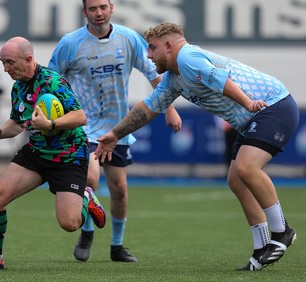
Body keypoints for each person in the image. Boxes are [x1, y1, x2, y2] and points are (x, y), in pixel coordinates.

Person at [94, 22, 298, 271]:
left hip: (273, 106)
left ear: (168, 46)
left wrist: (248, 102)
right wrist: (115, 134)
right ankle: (262, 247)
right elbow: (146, 109)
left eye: (152, 48)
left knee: (246, 168)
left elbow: (222, 82)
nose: (148, 54)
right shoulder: (173, 78)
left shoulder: (188, 57)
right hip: (254, 117)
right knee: (236, 179)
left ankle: (282, 231)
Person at [49, 0, 182, 263]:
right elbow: (52, 79)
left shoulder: (129, 38)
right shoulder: (70, 43)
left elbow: (154, 73)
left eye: (103, 7)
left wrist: (169, 108)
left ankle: (116, 246)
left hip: (117, 128)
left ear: (111, 8)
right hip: (82, 127)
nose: (98, 13)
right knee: (90, 179)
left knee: (119, 188)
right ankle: (87, 232)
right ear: (84, 12)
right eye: (92, 9)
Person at [0, 36, 106, 270]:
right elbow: (18, 123)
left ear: (28, 59)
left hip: (68, 156)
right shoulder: (18, 87)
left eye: (10, 62)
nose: (6, 68)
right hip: (37, 153)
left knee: (70, 224)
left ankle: (86, 197)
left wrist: (50, 124)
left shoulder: (53, 82)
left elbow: (80, 117)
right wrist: (0, 132)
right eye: (3, 63)